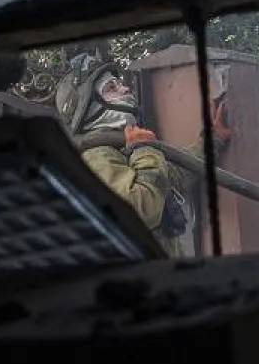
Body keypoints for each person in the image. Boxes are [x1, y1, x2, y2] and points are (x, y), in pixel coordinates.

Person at [55, 52, 191, 253]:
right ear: (90, 106)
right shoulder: (96, 157)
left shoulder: (121, 149)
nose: (125, 88)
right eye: (112, 87)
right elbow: (141, 212)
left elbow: (172, 177)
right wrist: (143, 149)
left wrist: (214, 139)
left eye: (119, 84)